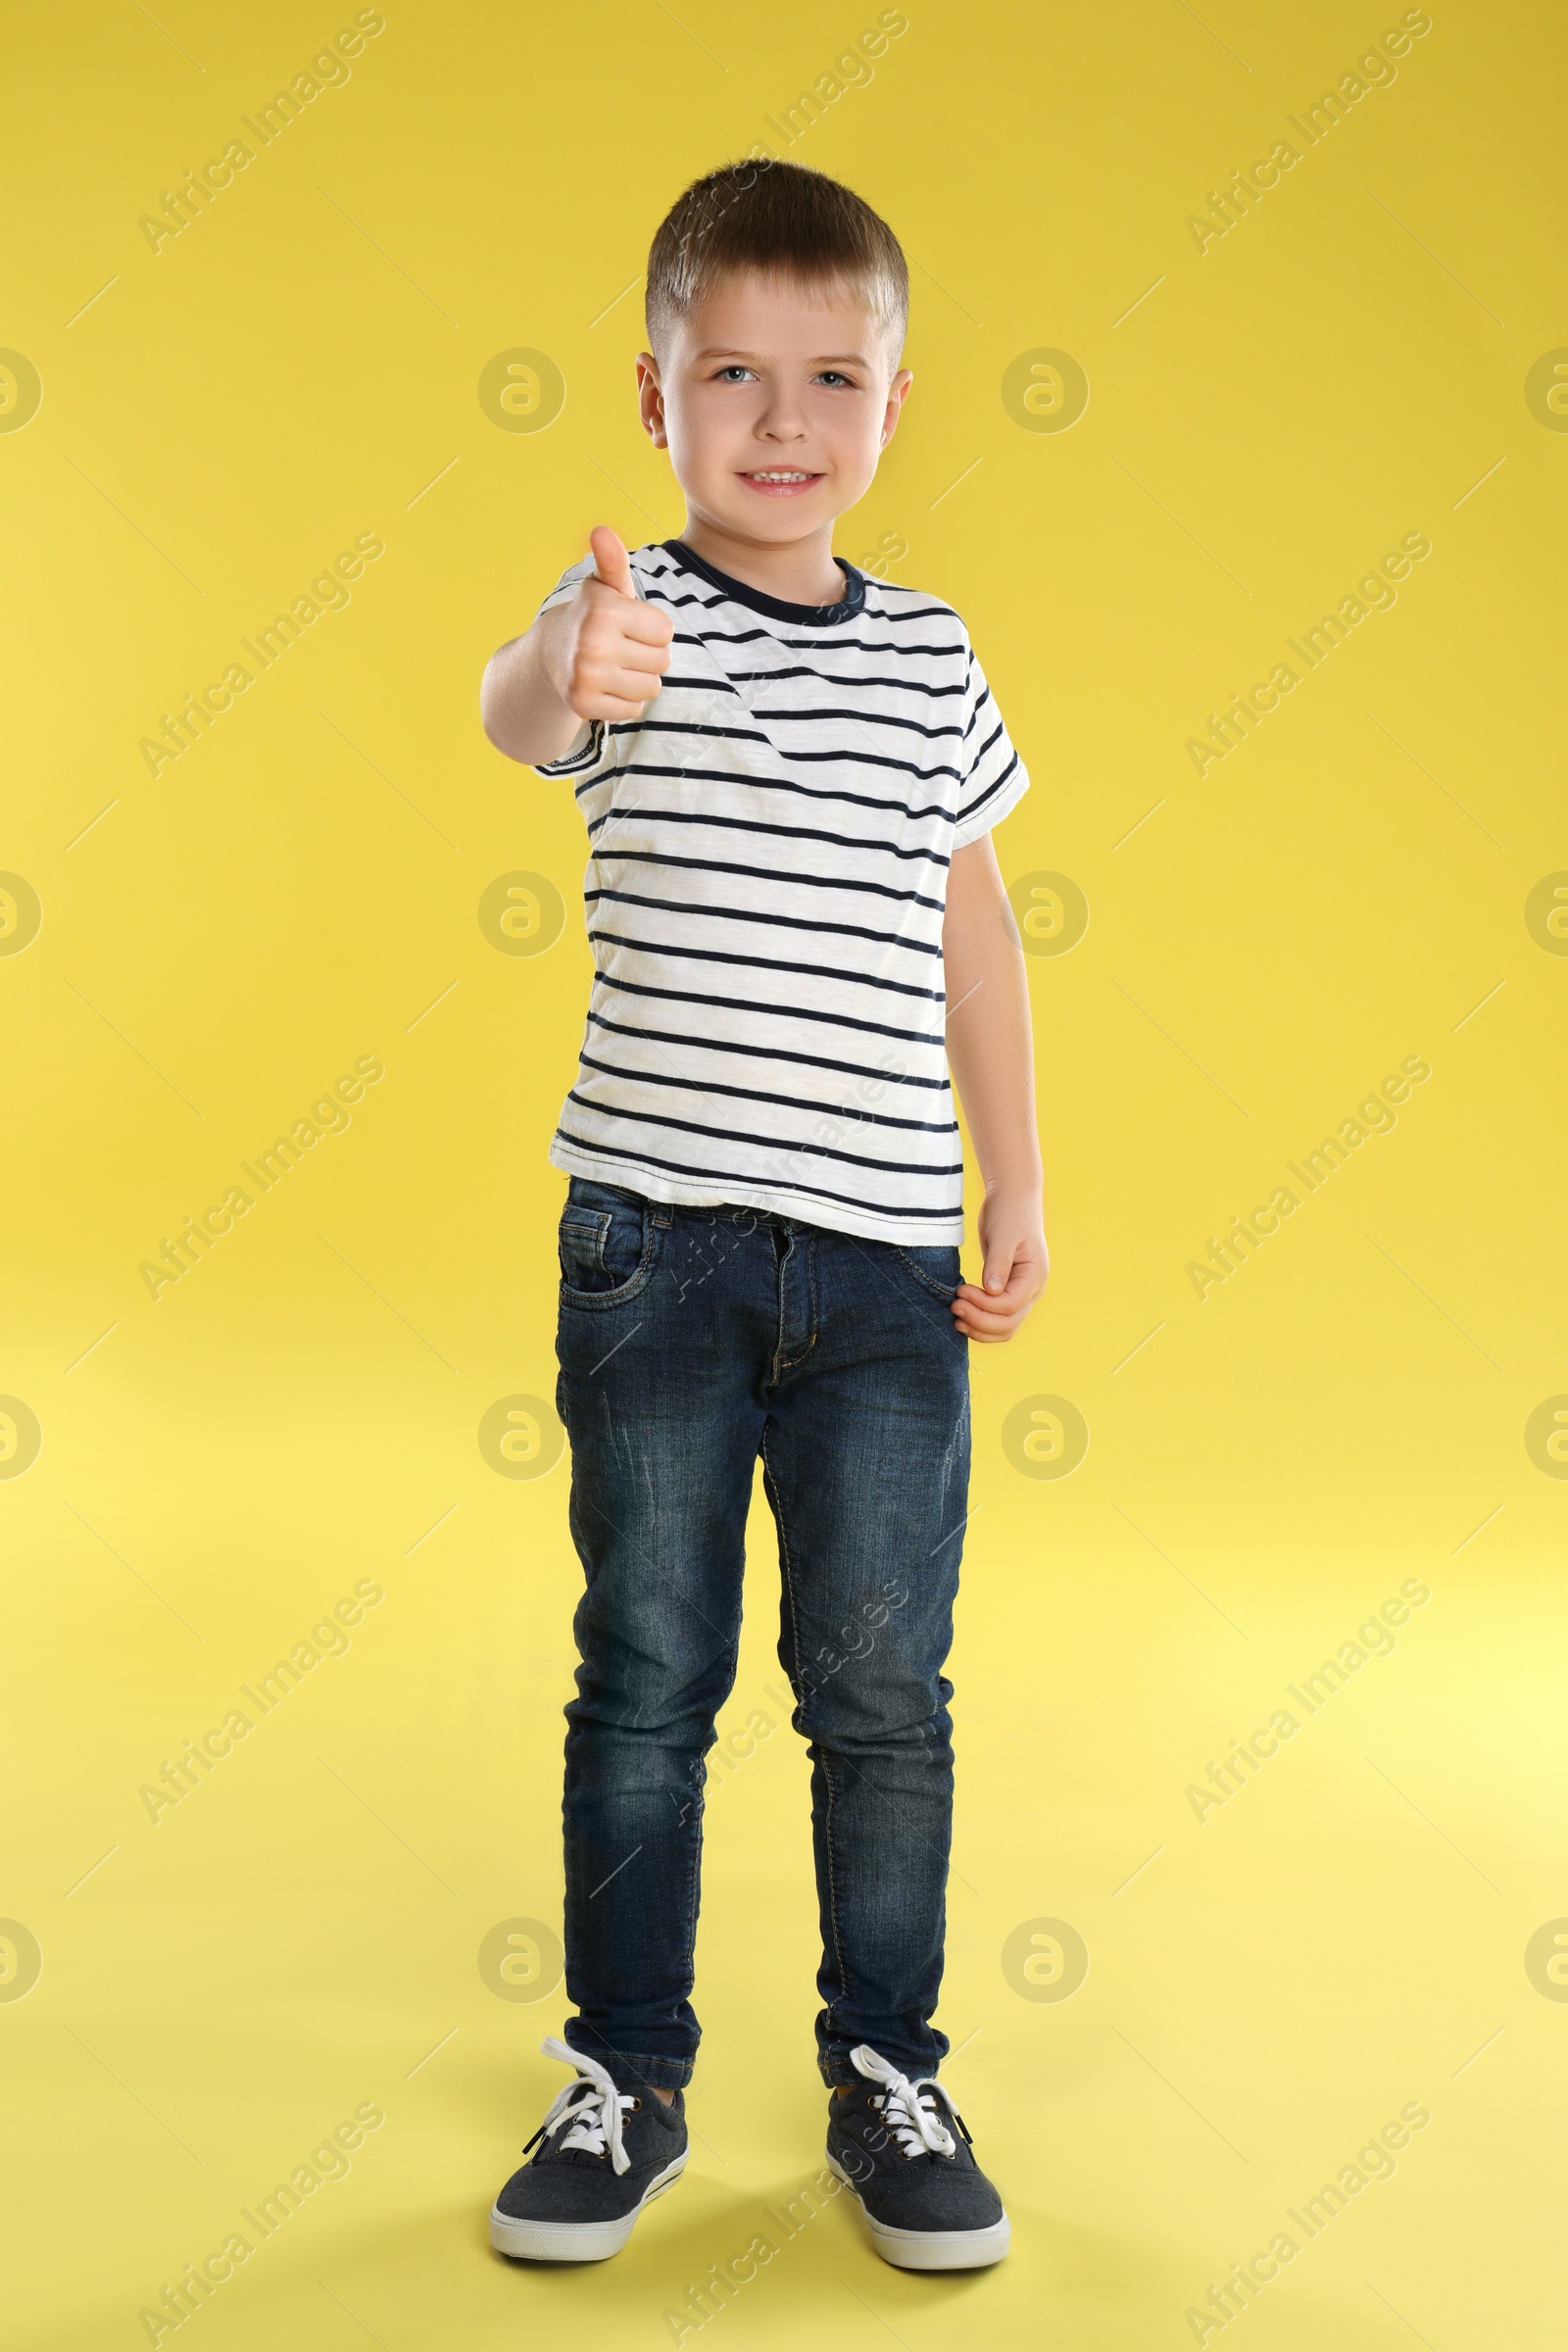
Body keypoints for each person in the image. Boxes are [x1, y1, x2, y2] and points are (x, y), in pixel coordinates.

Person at [477, 156, 1047, 2274]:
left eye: (829, 376)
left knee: (879, 1684)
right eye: (731, 373)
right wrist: (573, 654)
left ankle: (884, 2068)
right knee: (644, 1667)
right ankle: (623, 2074)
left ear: (892, 405)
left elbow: (972, 928)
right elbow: (517, 711)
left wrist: (1021, 1169)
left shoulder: (926, 656)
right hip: (656, 1253)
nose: (780, 420)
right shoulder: (620, 616)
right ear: (656, 396)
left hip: (891, 1267)